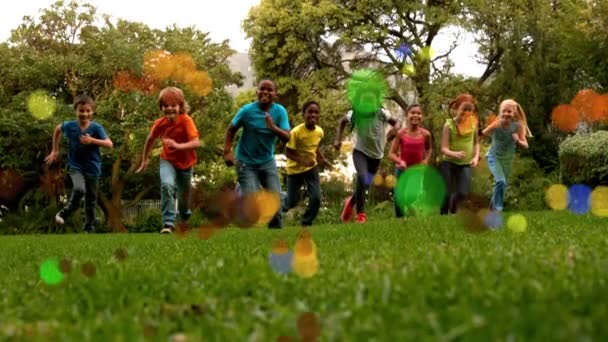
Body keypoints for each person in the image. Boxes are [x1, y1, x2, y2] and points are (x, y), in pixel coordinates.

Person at [223, 79, 290, 229]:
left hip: (267, 161)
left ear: (275, 94)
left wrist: (273, 127)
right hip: (245, 162)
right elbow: (231, 129)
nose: (265, 92)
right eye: (262, 89)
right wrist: (227, 151)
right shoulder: (247, 111)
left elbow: (287, 136)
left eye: (269, 90)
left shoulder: (280, 111)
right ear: (257, 92)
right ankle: (243, 190)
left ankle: (275, 234)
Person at [136, 87, 200, 234]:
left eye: (173, 105)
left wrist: (178, 146)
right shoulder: (160, 123)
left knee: (184, 198)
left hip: (186, 163)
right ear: (161, 107)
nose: (169, 108)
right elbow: (150, 139)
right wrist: (145, 159)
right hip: (168, 160)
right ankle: (168, 223)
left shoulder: (186, 121)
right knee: (166, 185)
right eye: (165, 105)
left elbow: (196, 143)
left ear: (181, 106)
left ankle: (184, 218)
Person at [45, 95, 113, 233]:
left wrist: (92, 140)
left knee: (91, 200)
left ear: (92, 111)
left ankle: (89, 229)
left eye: (88, 111)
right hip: (75, 166)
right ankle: (65, 212)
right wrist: (55, 150)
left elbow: (109, 144)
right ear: (75, 110)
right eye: (81, 111)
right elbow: (57, 129)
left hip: (93, 168)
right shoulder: (69, 126)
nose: (84, 114)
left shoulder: (96, 128)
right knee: (80, 189)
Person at [333, 90, 401, 224]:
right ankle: (361, 215)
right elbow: (342, 122)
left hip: (376, 156)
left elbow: (397, 123)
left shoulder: (381, 113)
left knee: (365, 184)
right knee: (363, 177)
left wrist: (394, 130)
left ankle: (350, 202)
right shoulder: (355, 114)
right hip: (360, 153)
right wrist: (338, 139)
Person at [283, 100, 329, 227]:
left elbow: (315, 146)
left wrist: (322, 158)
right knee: (291, 202)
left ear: (319, 115)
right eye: (310, 112)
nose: (313, 115)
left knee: (316, 197)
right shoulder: (296, 132)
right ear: (304, 114)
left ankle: (306, 222)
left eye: (316, 112)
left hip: (311, 168)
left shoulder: (319, 132)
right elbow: (287, 152)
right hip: (294, 170)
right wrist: (302, 161)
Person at [482, 99, 532, 212]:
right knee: (500, 182)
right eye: (504, 111)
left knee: (501, 186)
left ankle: (490, 212)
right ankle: (497, 210)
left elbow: (526, 145)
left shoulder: (518, 126)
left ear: (514, 113)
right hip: (493, 157)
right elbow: (482, 134)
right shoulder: (497, 124)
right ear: (500, 112)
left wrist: (518, 140)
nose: (506, 113)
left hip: (507, 160)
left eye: (509, 111)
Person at [387, 104, 432, 218]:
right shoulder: (401, 133)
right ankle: (399, 221)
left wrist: (426, 160)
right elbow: (391, 154)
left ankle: (410, 208)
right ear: (407, 115)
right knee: (398, 197)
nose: (416, 115)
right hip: (401, 170)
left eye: (419, 113)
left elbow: (429, 149)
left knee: (412, 196)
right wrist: (399, 161)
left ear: (422, 116)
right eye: (412, 113)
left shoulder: (426, 134)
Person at [440, 93, 481, 215]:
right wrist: (454, 154)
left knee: (463, 192)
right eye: (464, 109)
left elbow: (476, 143)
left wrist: (476, 156)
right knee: (447, 192)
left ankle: (453, 211)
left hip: (466, 163)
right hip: (449, 163)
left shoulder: (473, 123)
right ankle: (442, 214)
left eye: (470, 110)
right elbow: (444, 148)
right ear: (456, 109)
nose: (467, 112)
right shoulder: (448, 125)